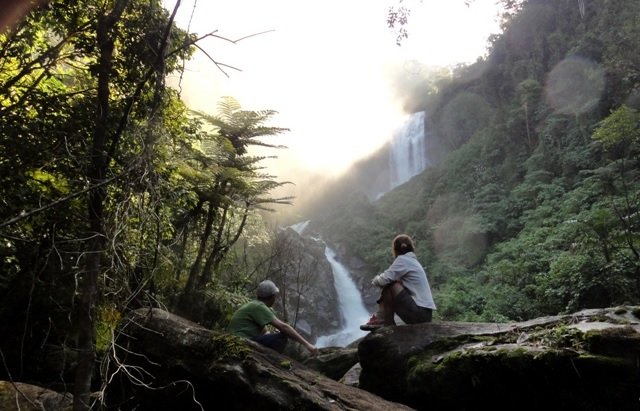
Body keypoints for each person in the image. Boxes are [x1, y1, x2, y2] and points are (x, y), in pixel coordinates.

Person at [361, 234, 436, 330]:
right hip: (425, 314)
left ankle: (386, 322)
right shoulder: (412, 261)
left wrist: (374, 280)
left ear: (395, 250)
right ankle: (382, 318)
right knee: (394, 283)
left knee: (391, 285)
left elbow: (383, 280)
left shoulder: (403, 260)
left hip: (419, 313)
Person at [227, 279, 318, 356]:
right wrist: (307, 345)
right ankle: (271, 359)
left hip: (237, 338)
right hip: (241, 340)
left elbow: (264, 331)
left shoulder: (255, 305)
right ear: (273, 297)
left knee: (274, 336)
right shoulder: (259, 307)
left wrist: (268, 334)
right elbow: (284, 327)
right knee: (281, 338)